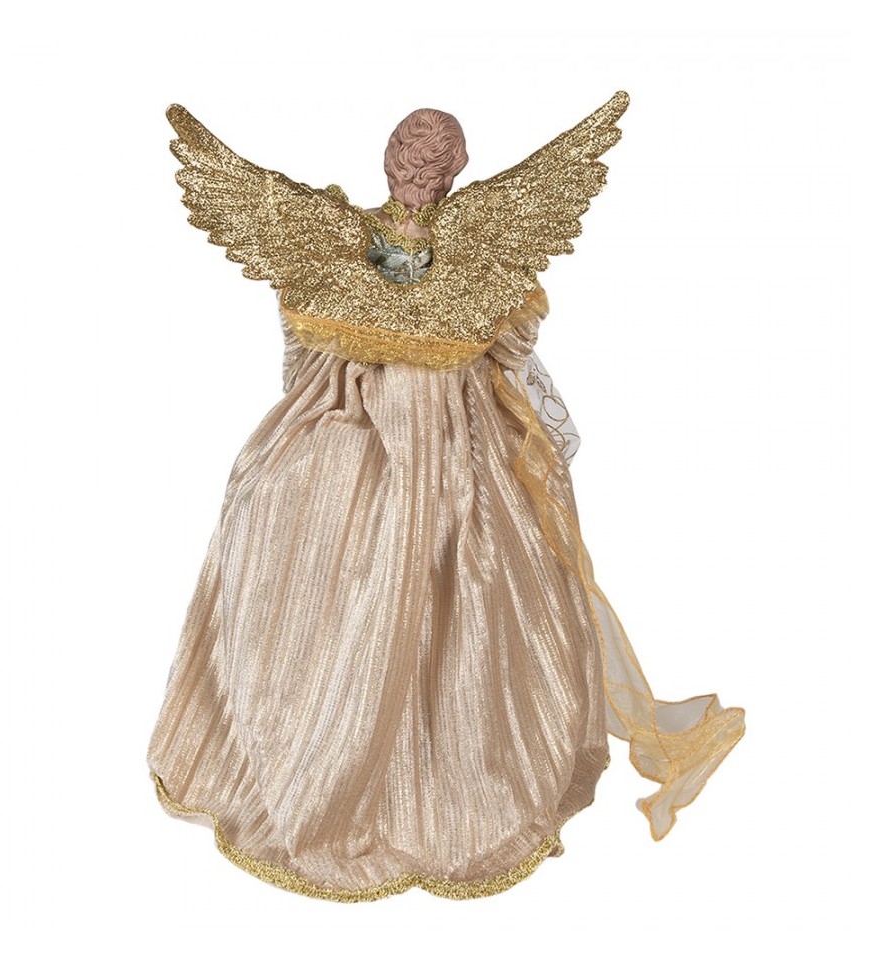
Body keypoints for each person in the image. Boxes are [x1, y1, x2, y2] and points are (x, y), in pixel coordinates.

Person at [146, 92, 745, 902]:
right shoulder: (467, 257)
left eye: (416, 161)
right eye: (430, 162)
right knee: (447, 580)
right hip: (435, 446)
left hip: (361, 443)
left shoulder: (338, 244)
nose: (423, 173)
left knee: (348, 570)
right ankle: (426, 773)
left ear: (399, 163)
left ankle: (342, 759)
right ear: (447, 170)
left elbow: (301, 350)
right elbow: (510, 347)